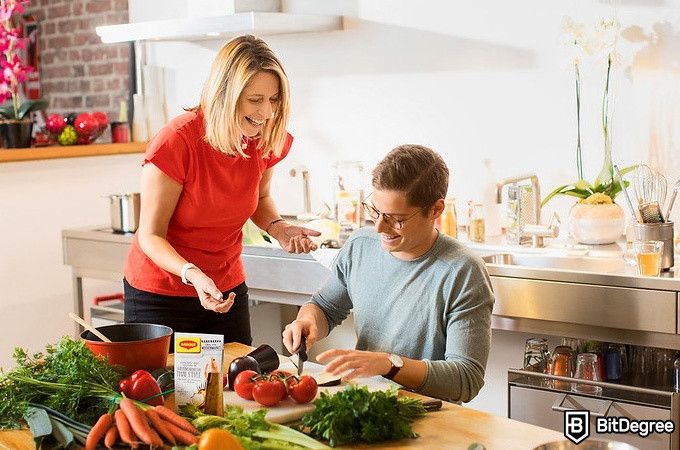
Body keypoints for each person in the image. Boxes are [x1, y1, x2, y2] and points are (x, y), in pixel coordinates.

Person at [124, 35, 319, 346]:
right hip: (161, 294)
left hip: (225, 289)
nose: (267, 112)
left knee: (235, 381)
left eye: (274, 99)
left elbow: (261, 199)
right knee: (166, 391)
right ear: (225, 95)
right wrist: (194, 274)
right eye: (255, 100)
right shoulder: (177, 141)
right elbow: (150, 235)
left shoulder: (264, 138)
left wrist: (278, 228)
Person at [283, 144, 494, 402]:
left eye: (397, 219)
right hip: (364, 404)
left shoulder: (463, 272)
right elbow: (325, 307)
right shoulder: (361, 246)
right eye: (375, 211)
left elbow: (465, 379)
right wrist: (307, 322)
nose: (380, 227)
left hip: (427, 414)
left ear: (436, 210)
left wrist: (390, 364)